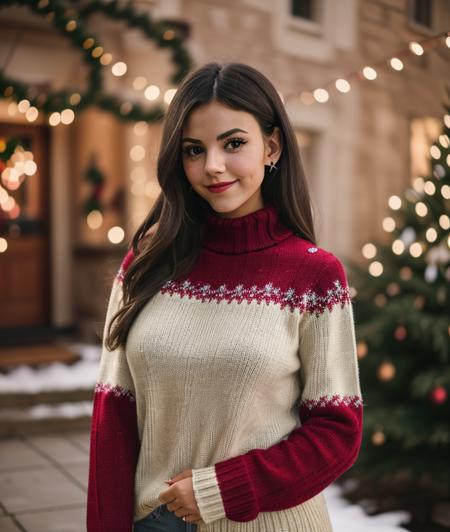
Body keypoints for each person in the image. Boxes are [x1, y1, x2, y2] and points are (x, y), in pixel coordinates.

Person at [86, 61, 364, 532]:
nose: (211, 166)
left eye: (233, 143)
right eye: (194, 149)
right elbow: (112, 418)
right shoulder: (145, 267)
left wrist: (224, 488)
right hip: (153, 524)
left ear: (271, 146)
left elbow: (337, 433)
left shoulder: (315, 275)